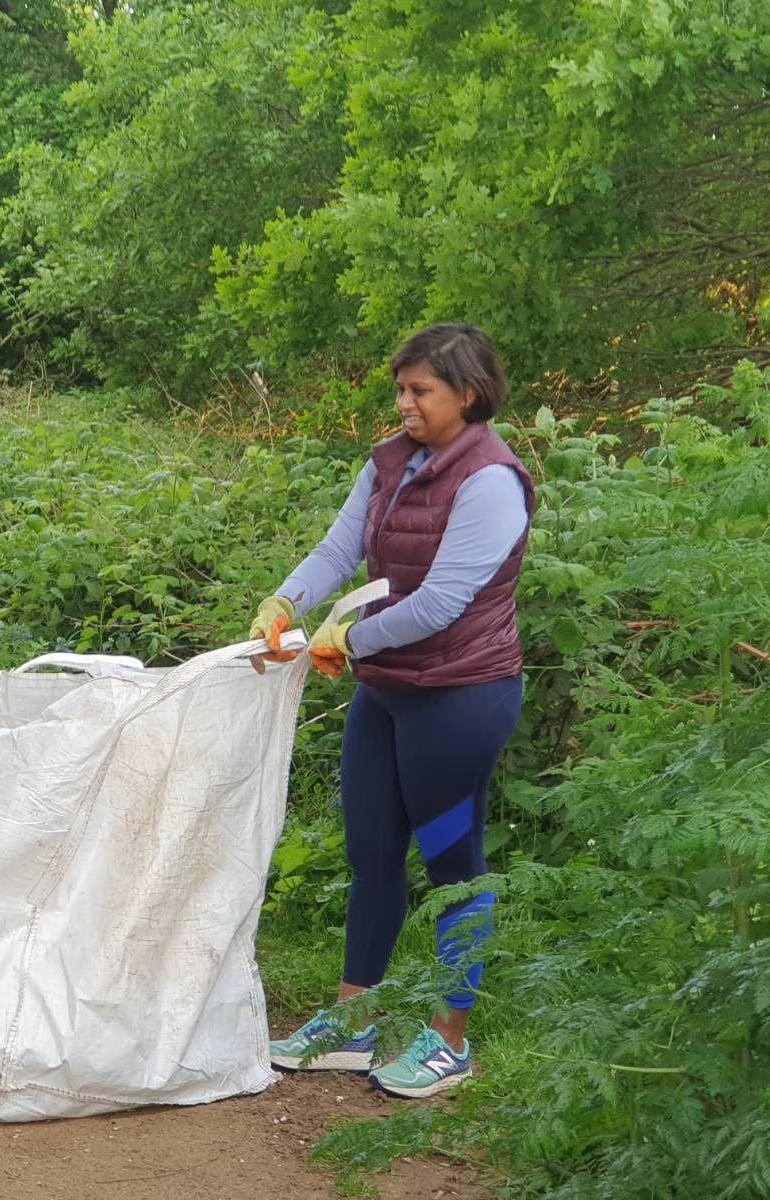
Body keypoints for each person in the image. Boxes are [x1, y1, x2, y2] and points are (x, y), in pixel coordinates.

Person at [248, 323, 533, 1097]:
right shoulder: (390, 462)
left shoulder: (492, 481)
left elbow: (444, 601)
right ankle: (352, 1024)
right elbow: (342, 549)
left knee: (452, 868)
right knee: (372, 855)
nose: (404, 403)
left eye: (420, 391)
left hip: (460, 698)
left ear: (467, 394)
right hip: (387, 691)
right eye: (400, 389)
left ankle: (451, 1042)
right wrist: (287, 600)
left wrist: (352, 636)